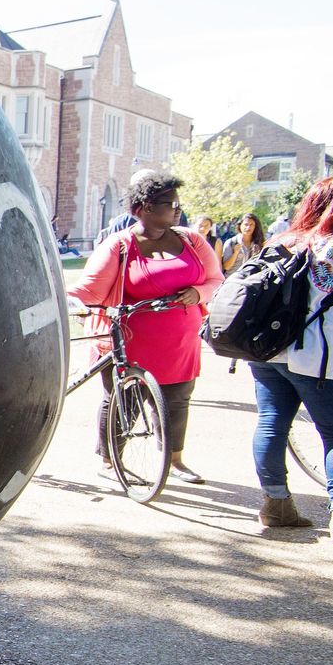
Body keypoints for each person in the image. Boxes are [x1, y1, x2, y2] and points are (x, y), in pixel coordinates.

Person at [246, 176, 333, 544]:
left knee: (271, 423)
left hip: (267, 349)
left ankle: (275, 504)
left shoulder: (282, 241)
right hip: (319, 356)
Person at [67, 169, 224, 484]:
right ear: (145, 208)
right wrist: (66, 304)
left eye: (178, 204)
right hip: (131, 341)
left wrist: (198, 293)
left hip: (180, 343)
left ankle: (175, 460)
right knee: (122, 401)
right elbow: (90, 288)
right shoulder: (121, 245)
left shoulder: (191, 240)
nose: (177, 209)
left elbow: (214, 278)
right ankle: (111, 461)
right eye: (170, 204)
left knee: (178, 399)